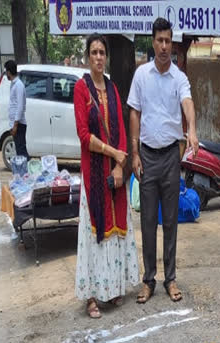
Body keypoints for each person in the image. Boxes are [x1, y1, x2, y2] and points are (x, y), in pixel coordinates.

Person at [128, 17, 199, 304]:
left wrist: (191, 128)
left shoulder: (179, 78)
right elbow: (134, 112)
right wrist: (134, 152)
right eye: (159, 40)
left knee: (170, 220)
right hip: (146, 156)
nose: (164, 46)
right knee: (147, 221)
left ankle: (170, 279)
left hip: (171, 156)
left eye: (168, 41)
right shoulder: (141, 75)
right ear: (153, 42)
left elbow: (188, 103)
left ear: (173, 44)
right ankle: (149, 281)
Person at [73, 33, 141, 319]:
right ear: (88, 56)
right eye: (94, 52)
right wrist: (113, 153)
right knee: (94, 234)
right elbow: (84, 136)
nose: (99, 57)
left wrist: (118, 165)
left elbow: (123, 131)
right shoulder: (81, 89)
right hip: (93, 175)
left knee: (116, 233)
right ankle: (91, 296)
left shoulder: (112, 89)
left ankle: (113, 288)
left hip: (113, 174)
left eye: (102, 52)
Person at [4, 60, 28, 159]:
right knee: (19, 151)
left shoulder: (19, 85)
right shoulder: (13, 84)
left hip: (19, 125)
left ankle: (27, 172)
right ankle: (23, 173)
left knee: (22, 152)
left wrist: (15, 125)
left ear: (9, 72)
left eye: (6, 72)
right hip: (15, 124)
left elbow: (20, 106)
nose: (6, 74)